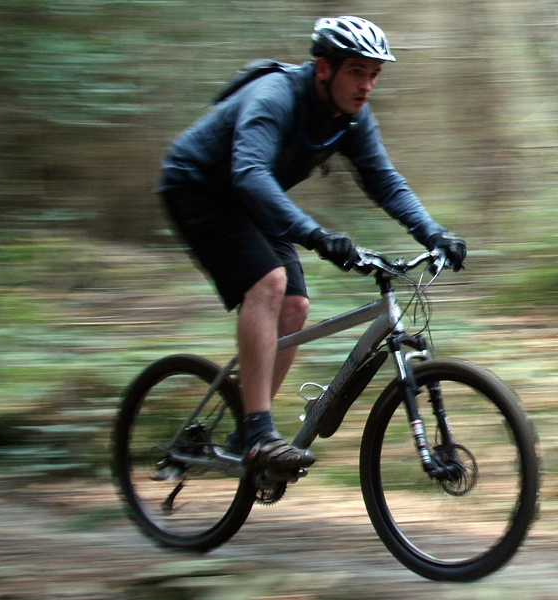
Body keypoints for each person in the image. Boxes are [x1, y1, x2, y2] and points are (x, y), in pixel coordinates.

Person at [156, 16, 466, 474]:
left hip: (250, 199)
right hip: (198, 188)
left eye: (374, 75)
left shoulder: (353, 119)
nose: (366, 85)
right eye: (357, 72)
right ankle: (261, 433)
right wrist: (319, 236)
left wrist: (433, 232)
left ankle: (246, 431)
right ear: (324, 68)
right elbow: (250, 174)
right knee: (268, 282)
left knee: (296, 306)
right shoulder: (275, 97)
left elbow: (385, 182)